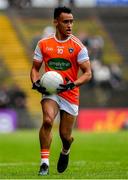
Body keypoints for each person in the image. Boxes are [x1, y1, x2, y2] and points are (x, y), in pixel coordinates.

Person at [30, 6, 92, 176]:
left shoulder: (78, 46)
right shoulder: (44, 44)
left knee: (65, 135)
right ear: (56, 22)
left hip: (70, 93)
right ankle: (44, 163)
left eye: (71, 21)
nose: (70, 25)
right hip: (51, 91)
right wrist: (36, 83)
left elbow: (88, 73)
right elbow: (35, 68)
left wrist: (74, 84)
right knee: (48, 121)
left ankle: (66, 148)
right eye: (66, 21)